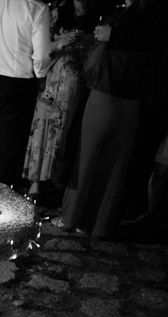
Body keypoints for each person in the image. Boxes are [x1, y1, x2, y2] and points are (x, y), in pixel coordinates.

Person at [53, 0, 161, 238]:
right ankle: (99, 224)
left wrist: (110, 34)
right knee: (115, 165)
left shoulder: (125, 19)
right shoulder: (151, 19)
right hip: (134, 100)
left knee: (87, 157)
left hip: (106, 93)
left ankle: (71, 218)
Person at [0, 0, 52, 187]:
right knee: (9, 144)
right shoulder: (37, 8)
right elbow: (41, 55)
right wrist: (41, 76)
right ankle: (2, 198)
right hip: (16, 83)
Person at [23, 0, 97, 197]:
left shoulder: (95, 19)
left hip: (73, 83)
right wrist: (61, 42)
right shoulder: (56, 14)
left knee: (62, 130)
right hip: (51, 77)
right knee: (41, 128)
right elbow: (40, 50)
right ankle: (35, 183)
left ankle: (55, 180)